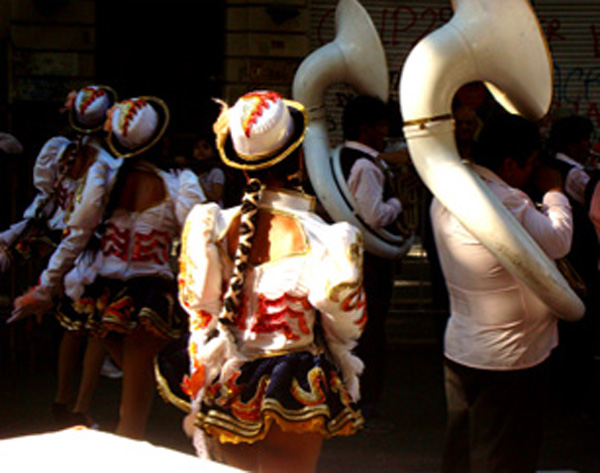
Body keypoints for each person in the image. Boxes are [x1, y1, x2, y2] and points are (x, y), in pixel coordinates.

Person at [170, 90, 365, 473]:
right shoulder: (326, 237)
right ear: (297, 158)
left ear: (241, 167)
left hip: (231, 377)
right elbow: (347, 325)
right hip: (298, 384)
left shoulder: (211, 228)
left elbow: (200, 311)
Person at [9, 95, 206, 439]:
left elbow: (77, 236)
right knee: (132, 413)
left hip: (104, 297)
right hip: (147, 301)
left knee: (131, 398)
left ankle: (84, 412)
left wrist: (45, 286)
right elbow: (197, 249)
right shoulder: (178, 186)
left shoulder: (106, 178)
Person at [430, 113, 573, 473]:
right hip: (513, 359)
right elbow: (558, 241)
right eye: (530, 165)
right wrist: (555, 192)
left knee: (465, 453)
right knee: (504, 457)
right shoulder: (507, 201)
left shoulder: (448, 191)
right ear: (510, 164)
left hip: (467, 346)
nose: (534, 173)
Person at [1, 85, 118, 428]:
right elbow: (87, 222)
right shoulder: (108, 164)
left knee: (70, 327)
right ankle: (80, 407)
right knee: (93, 328)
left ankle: (61, 399)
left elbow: (44, 196)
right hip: (90, 249)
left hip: (55, 239)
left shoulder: (59, 150)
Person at [339, 94, 403, 422]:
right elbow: (374, 215)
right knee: (371, 329)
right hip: (370, 260)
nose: (385, 132)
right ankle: (365, 399)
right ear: (367, 129)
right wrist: (398, 205)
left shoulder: (343, 158)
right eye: (381, 126)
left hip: (351, 256)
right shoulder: (366, 166)